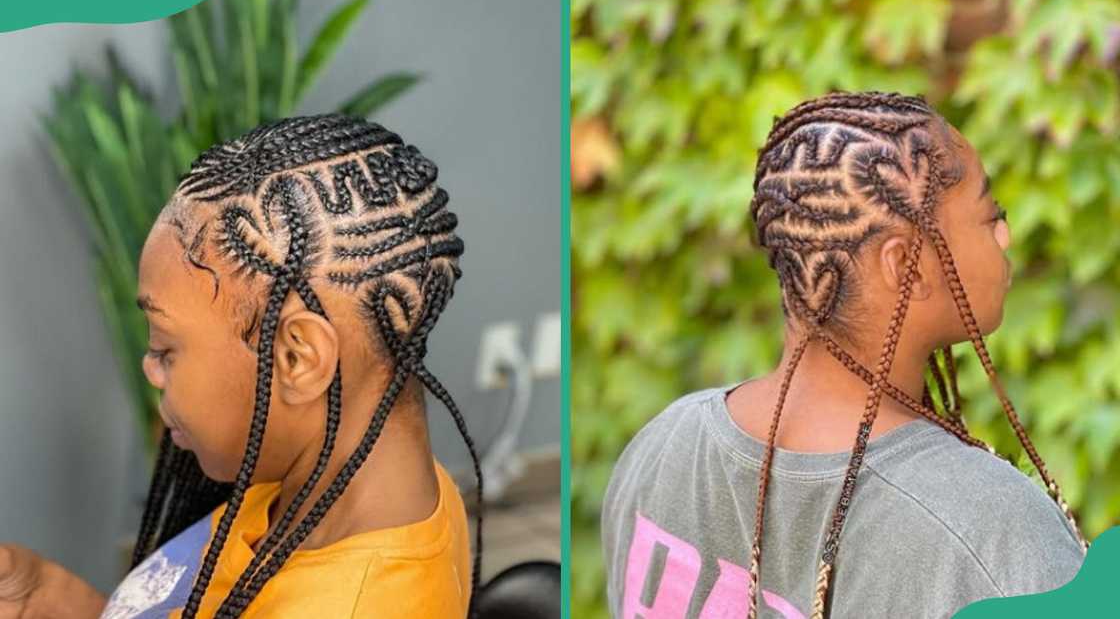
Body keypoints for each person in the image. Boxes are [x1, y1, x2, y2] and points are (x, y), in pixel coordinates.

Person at [601, 92, 1087, 619]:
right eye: (992, 214)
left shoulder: (662, 444)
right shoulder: (991, 532)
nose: (1006, 234)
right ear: (907, 266)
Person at [0, 114, 482, 618]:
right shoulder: (333, 480)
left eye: (165, 348)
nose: (150, 368)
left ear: (298, 358)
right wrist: (56, 601)